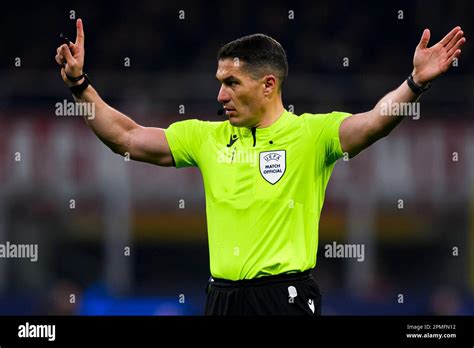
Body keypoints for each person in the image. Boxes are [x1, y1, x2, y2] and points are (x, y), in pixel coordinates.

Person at [55, 19, 466, 315]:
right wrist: (79, 85)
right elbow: (125, 137)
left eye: (232, 83)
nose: (220, 95)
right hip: (221, 299)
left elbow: (376, 119)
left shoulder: (312, 135)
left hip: (283, 298)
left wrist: (414, 83)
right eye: (219, 81)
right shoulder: (206, 137)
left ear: (268, 85)